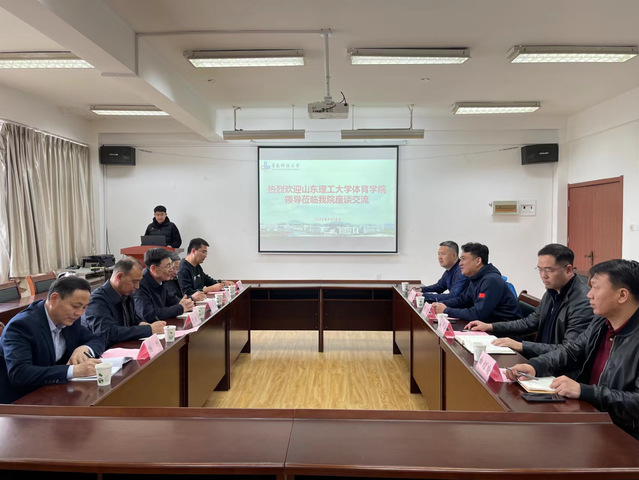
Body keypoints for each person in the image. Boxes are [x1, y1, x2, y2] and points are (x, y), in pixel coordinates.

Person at [505, 259, 639, 439]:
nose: (589, 295)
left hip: (624, 433)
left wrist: (585, 391)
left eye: (596, 288)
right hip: (590, 417)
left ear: (622, 295)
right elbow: (571, 351)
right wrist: (535, 366)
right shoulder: (602, 322)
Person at [466, 244, 594, 360]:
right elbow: (529, 323)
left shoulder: (583, 302)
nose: (543, 275)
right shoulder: (552, 292)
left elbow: (569, 350)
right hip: (544, 360)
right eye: (540, 269)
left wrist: (521, 346)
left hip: (561, 370)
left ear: (568, 270)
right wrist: (490, 327)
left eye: (549, 270)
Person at [0, 276, 105, 404]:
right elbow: (20, 374)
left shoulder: (69, 319)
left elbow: (98, 339)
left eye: (84, 307)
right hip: (21, 402)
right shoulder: (22, 326)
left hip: (54, 392)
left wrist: (84, 348)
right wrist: (74, 371)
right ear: (54, 299)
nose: (79, 313)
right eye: (75, 306)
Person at [83, 256, 166, 348]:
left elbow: (133, 320)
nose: (137, 287)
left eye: (139, 282)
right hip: (104, 351)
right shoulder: (97, 300)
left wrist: (142, 324)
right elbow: (107, 333)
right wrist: (148, 329)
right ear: (119, 277)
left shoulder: (126, 294)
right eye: (134, 282)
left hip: (124, 346)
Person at [433, 242, 521, 322]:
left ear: (478, 261)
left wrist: (446, 310)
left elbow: (478, 314)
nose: (460, 263)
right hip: (488, 325)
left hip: (504, 330)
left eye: (463, 259)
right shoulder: (476, 278)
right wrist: (441, 304)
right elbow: (462, 300)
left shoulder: (490, 281)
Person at [133, 248, 194, 323]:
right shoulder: (140, 284)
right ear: (153, 269)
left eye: (171, 265)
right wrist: (180, 308)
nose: (171, 270)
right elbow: (148, 315)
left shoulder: (161, 279)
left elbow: (171, 300)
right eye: (168, 266)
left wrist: (184, 303)